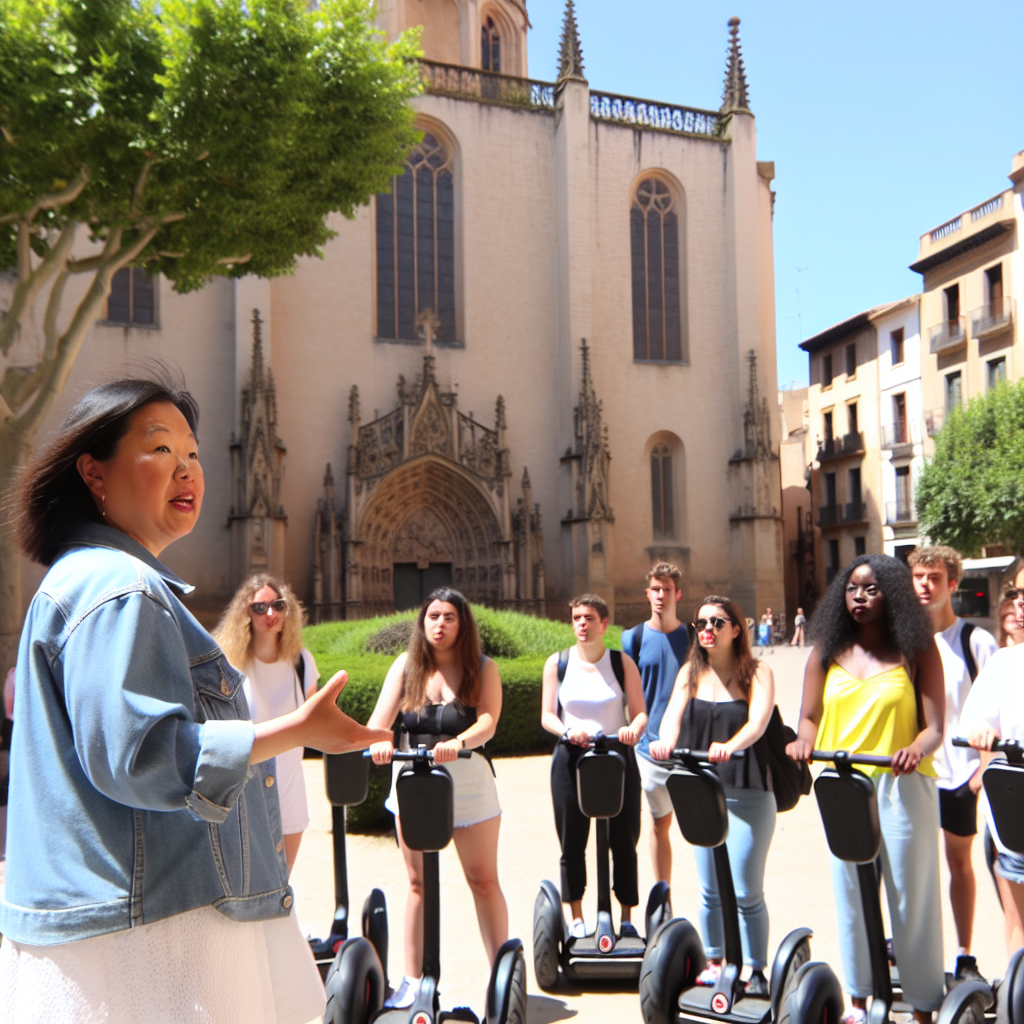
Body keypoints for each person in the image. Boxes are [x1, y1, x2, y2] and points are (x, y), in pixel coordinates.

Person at [0, 374, 390, 1024]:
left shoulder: (93, 579)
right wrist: (293, 730)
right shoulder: (120, 589)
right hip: (155, 940)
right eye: (159, 450)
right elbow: (141, 755)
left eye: (193, 455)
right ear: (94, 474)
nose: (186, 471)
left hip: (138, 922)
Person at [786, 554, 945, 1024]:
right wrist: (803, 741)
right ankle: (859, 1003)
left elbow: (935, 727)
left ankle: (921, 1007)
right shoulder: (826, 649)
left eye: (872, 589)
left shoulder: (917, 649)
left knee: (910, 899)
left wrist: (915, 748)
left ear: (892, 594)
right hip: (844, 786)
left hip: (902, 786)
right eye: (853, 589)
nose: (860, 597)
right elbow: (809, 717)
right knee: (852, 894)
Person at [367, 588, 509, 1009]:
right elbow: (379, 722)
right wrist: (378, 742)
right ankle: (413, 983)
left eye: (449, 616)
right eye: (433, 616)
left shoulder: (482, 667)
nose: (440, 624)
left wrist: (459, 741)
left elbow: (488, 722)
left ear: (462, 624)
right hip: (415, 783)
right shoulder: (406, 667)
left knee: (483, 880)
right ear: (422, 622)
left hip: (469, 784)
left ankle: (500, 979)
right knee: (416, 883)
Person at [650, 596, 777, 996]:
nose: (707, 629)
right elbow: (671, 716)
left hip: (748, 790)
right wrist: (664, 743)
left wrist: (731, 743)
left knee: (745, 890)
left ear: (736, 629)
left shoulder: (757, 672)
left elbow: (758, 722)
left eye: (717, 622)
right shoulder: (691, 672)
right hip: (702, 791)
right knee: (709, 889)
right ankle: (717, 959)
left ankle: (755, 968)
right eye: (701, 623)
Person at [908, 546, 997, 982]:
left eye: (935, 578)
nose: (925, 585)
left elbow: (993, 711)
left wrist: (984, 769)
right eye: (919, 577)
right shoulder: (902, 642)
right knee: (912, 867)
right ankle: (916, 951)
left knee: (958, 863)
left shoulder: (976, 641)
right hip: (915, 773)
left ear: (952, 585)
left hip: (960, 775)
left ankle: (964, 954)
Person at [540, 594, 647, 940]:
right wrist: (568, 730)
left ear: (603, 624)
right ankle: (576, 917)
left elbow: (641, 711)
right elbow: (547, 716)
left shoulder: (621, 663)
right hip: (571, 756)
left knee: (624, 838)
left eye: (588, 617)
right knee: (572, 840)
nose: (581, 624)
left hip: (617, 754)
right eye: (576, 618)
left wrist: (634, 727)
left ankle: (627, 917)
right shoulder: (557, 663)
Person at [215, 573, 320, 877]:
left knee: (281, 882)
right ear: (246, 613)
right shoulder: (229, 664)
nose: (270, 614)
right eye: (260, 607)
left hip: (290, 785)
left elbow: (314, 723)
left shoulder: (302, 662)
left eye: (278, 605)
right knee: (246, 883)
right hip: (244, 789)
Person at [961, 584, 1024, 955]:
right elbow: (974, 721)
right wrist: (980, 731)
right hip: (1015, 801)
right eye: (1015, 595)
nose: (1019, 604)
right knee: (1017, 918)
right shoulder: (1004, 661)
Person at [619, 563, 690, 893]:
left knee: (703, 826)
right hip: (648, 750)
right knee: (659, 824)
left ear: (678, 594)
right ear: (647, 594)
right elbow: (627, 697)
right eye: (655, 589)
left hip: (689, 749)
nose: (660, 595)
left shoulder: (692, 637)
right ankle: (664, 896)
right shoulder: (631, 638)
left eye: (667, 589)